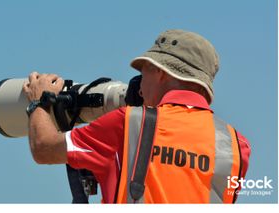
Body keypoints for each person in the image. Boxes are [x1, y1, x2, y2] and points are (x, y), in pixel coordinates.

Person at [22, 29, 251, 203]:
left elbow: (44, 148)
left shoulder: (128, 124)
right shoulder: (236, 147)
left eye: (143, 72)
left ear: (161, 72)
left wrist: (39, 101)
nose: (139, 87)